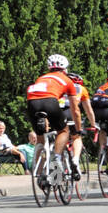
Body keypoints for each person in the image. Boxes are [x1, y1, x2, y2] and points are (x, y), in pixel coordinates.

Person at [25, 53, 81, 182]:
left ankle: (39, 173)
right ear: (65, 69)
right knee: (64, 130)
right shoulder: (67, 80)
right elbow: (75, 109)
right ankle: (56, 157)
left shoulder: (41, 78)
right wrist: (78, 130)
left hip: (31, 102)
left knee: (41, 137)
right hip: (50, 101)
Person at [61, 73, 98, 181]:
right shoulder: (81, 89)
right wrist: (93, 124)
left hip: (56, 113)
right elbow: (89, 110)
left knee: (59, 137)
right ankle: (75, 160)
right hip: (70, 113)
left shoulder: (60, 85)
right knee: (76, 137)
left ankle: (57, 166)